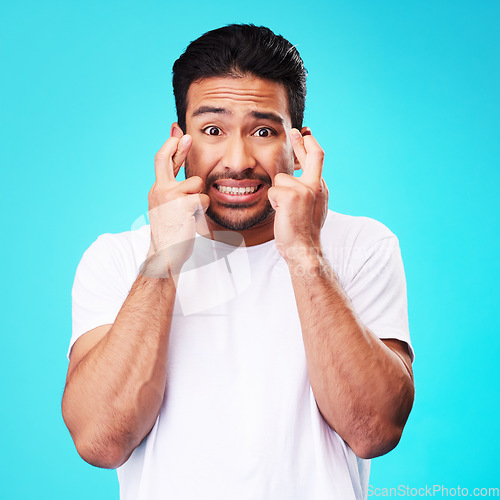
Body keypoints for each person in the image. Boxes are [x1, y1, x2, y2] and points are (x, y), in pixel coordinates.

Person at [62, 24, 414, 500]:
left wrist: (305, 252)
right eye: (211, 130)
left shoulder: (362, 245)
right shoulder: (117, 257)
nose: (238, 159)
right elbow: (101, 441)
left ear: (299, 144)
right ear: (178, 140)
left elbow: (374, 431)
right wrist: (165, 255)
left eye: (264, 130)